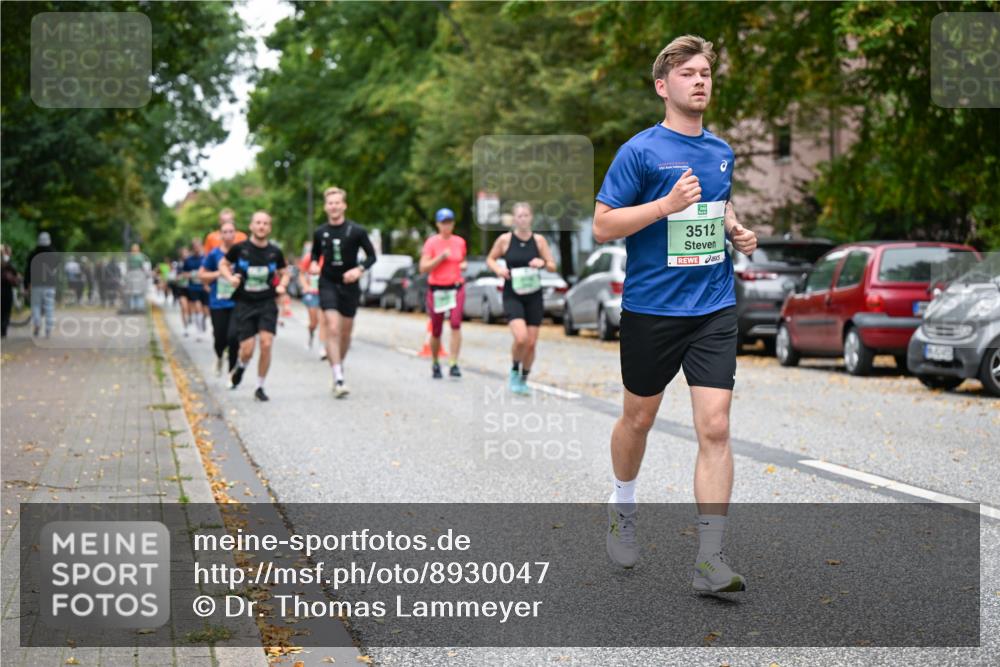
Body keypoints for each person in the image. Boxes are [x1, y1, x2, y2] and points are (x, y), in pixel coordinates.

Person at [593, 35, 757, 593]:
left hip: (713, 306)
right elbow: (602, 225)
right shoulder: (639, 152)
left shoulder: (721, 150)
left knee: (716, 426)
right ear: (663, 86)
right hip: (652, 309)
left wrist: (735, 229)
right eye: (688, 73)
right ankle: (622, 503)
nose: (700, 80)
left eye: (705, 72)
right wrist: (665, 205)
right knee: (638, 419)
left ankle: (710, 559)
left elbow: (719, 204)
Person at [309, 187, 376, 398]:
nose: (334, 206)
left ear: (344, 205)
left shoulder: (356, 231)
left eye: (337, 203)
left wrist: (359, 270)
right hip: (328, 282)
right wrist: (313, 264)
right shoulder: (320, 232)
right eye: (330, 203)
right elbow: (314, 255)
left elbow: (372, 256)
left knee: (345, 333)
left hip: (349, 285)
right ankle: (338, 377)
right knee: (333, 328)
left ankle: (338, 367)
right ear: (325, 207)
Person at [486, 202, 556, 394]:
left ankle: (524, 378)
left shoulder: (539, 241)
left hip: (534, 295)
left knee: (531, 343)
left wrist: (542, 262)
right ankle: (514, 370)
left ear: (531, 217)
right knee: (521, 338)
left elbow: (552, 265)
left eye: (526, 215)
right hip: (513, 294)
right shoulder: (505, 240)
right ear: (514, 219)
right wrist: (499, 269)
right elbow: (490, 258)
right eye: (519, 216)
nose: (523, 219)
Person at [220, 211, 289, 402]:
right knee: (247, 350)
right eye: (258, 222)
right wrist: (230, 278)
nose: (261, 226)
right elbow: (223, 264)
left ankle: (260, 386)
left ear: (269, 228)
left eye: (265, 223)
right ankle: (241, 367)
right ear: (251, 226)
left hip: (267, 302)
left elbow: (285, 272)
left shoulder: (275, 252)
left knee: (266, 343)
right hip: (245, 303)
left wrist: (282, 285)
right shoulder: (239, 249)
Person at [419, 208, 467, 379]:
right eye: (443, 223)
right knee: (436, 329)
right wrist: (440, 258)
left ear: (453, 224)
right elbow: (423, 268)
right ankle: (435, 362)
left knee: (455, 323)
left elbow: (462, 260)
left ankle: (453, 363)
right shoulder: (431, 243)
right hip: (437, 289)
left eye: (449, 222)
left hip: (456, 287)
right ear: (438, 224)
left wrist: (463, 265)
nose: (447, 226)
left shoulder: (459, 242)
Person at [199, 219, 239, 376]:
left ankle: (232, 372)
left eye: (231, 231)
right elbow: (202, 275)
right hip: (218, 302)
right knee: (220, 337)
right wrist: (219, 273)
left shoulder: (241, 253)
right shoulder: (214, 254)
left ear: (235, 234)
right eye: (225, 232)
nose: (228, 234)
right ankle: (219, 355)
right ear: (220, 235)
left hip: (237, 302)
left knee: (234, 337)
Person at [25, 232, 59, 338]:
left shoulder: (33, 254)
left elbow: (28, 271)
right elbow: (56, 271)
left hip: (36, 285)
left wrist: (27, 284)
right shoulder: (54, 255)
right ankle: (48, 329)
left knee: (36, 305)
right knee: (49, 306)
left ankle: (37, 324)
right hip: (49, 285)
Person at [298, 241, 325, 356]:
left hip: (324, 293)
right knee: (314, 322)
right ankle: (311, 334)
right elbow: (301, 274)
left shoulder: (328, 258)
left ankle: (322, 347)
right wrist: (306, 286)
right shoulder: (309, 258)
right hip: (312, 293)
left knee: (323, 321)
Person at [182, 239, 208, 340]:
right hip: (193, 287)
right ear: (192, 248)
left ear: (201, 246)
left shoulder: (206, 258)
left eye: (198, 246)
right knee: (197, 308)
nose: (197, 248)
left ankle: (203, 321)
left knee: (206, 311)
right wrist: (192, 274)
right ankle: (199, 331)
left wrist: (204, 276)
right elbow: (184, 273)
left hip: (204, 287)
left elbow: (210, 270)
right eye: (195, 246)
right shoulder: (188, 260)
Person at [1, 245, 21, 338]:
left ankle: (3, 329)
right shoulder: (8, 264)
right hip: (6, 289)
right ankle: (3, 329)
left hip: (6, 289)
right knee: (6, 310)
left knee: (4, 310)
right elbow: (15, 274)